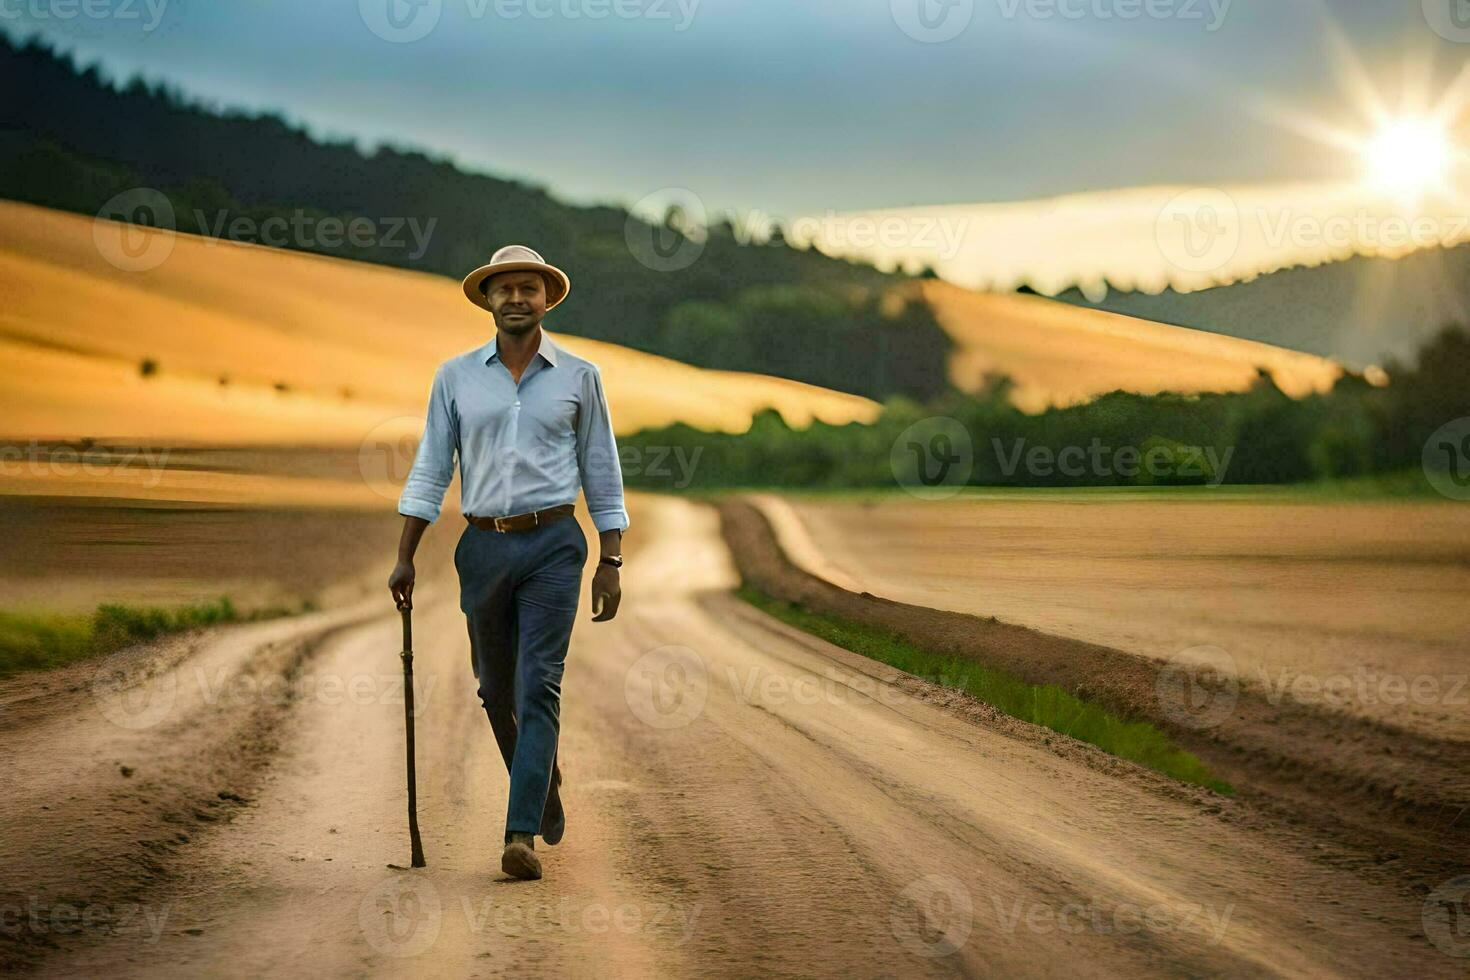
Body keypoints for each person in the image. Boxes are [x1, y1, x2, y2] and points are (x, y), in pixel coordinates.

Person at [388, 245, 628, 881]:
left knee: (537, 684)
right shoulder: (455, 377)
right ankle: (542, 781)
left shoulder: (581, 376)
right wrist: (405, 555)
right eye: (505, 289)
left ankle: (518, 832)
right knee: (495, 689)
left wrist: (612, 556)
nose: (517, 298)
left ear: (546, 298)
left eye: (529, 288)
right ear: (487, 300)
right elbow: (432, 467)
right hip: (483, 547)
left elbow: (601, 465)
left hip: (554, 543)